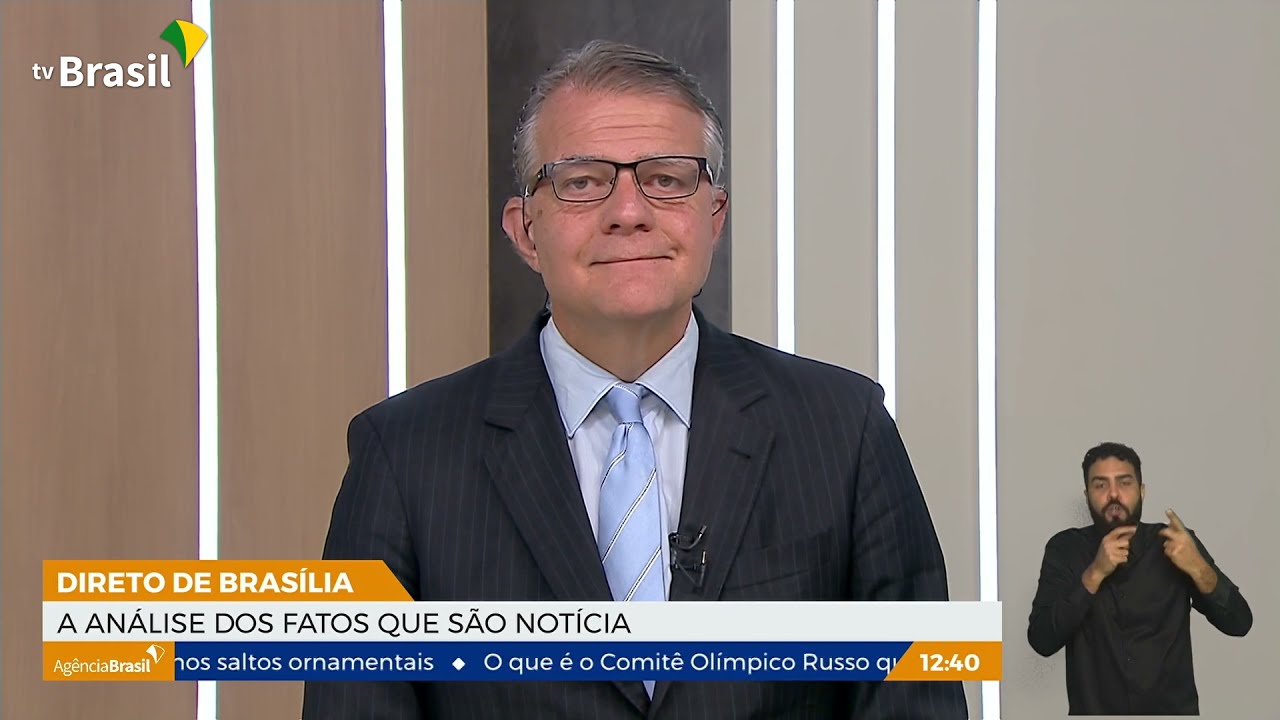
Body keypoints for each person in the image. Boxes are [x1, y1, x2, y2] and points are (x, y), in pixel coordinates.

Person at [302, 40, 965, 719]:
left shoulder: (844, 429)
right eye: (582, 182)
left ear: (715, 217)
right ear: (525, 231)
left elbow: (919, 702)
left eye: (667, 179)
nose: (629, 211)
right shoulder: (403, 455)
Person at [1027, 442, 1253, 715]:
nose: (1113, 494)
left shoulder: (1177, 543)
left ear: (1142, 491)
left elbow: (1240, 623)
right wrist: (1094, 573)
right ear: (1087, 496)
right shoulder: (1065, 549)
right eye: (1100, 485)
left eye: (1124, 483)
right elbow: (1041, 640)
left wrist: (1198, 568)